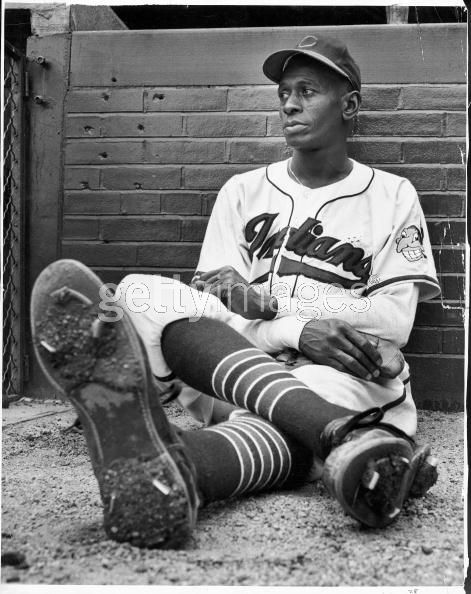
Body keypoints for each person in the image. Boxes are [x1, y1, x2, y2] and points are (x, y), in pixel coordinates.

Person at [31, 34, 441, 549]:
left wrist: (278, 310)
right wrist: (296, 330)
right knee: (138, 294)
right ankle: (342, 436)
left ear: (349, 105)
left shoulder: (392, 195)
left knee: (294, 419)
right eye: (284, 93)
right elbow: (212, 308)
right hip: (235, 368)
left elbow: (393, 321)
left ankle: (184, 465)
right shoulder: (242, 191)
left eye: (307, 91)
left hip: (341, 375)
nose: (289, 104)